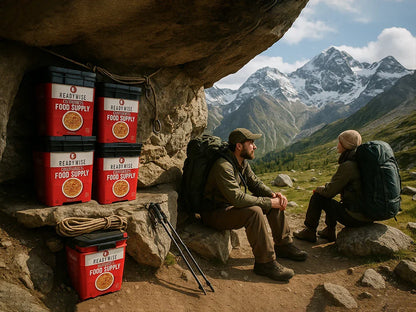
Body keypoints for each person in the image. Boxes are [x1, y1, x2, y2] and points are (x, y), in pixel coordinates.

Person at [200, 128, 307, 282]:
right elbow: (237, 198)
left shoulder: (241, 162)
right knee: (255, 211)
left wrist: (273, 195)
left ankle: (284, 245)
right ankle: (265, 263)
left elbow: (255, 183)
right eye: (251, 143)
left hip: (228, 208)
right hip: (214, 213)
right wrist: (269, 202)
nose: (254, 147)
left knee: (271, 203)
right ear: (239, 146)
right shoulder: (223, 166)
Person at [294, 129, 373, 243]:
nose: (337, 145)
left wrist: (318, 189)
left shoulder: (348, 166)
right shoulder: (360, 161)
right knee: (329, 199)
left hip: (355, 217)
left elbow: (329, 192)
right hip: (366, 214)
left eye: (339, 142)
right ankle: (329, 231)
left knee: (318, 197)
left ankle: (310, 231)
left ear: (345, 145)